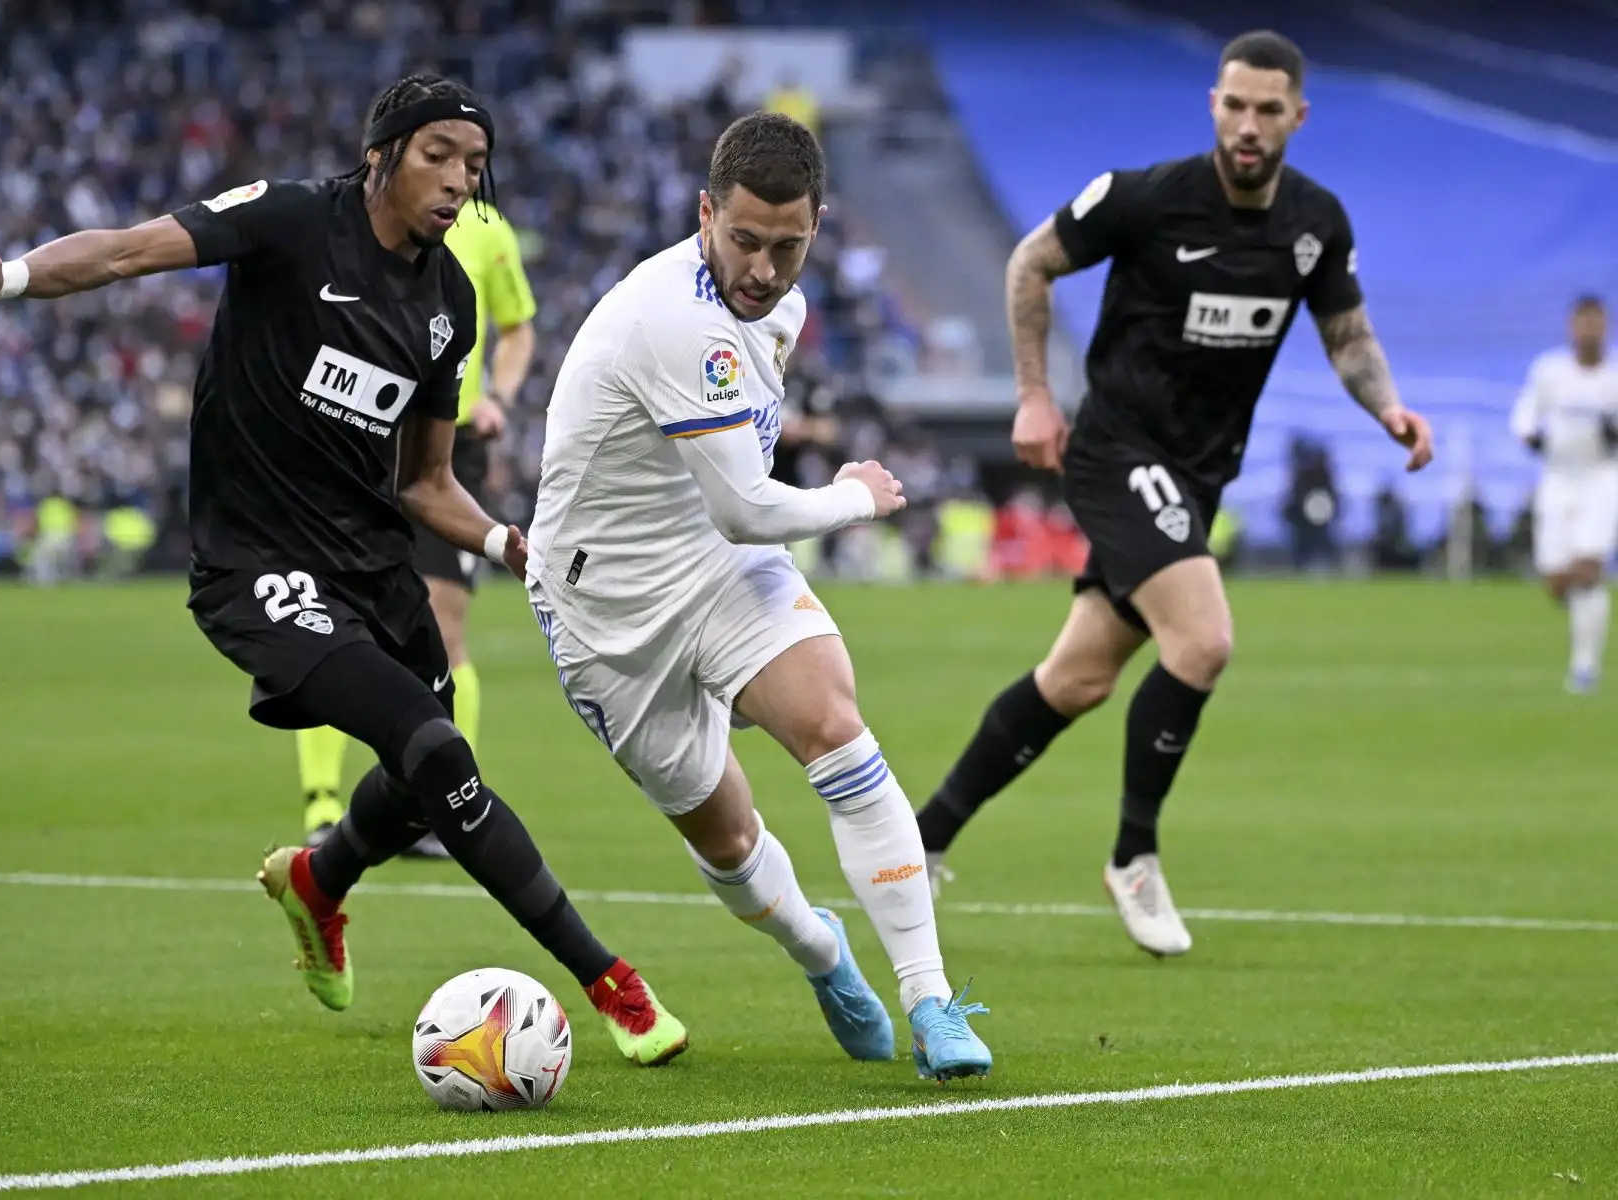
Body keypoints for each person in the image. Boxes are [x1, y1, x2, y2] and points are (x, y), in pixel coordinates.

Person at [0, 73, 687, 1066]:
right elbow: (126, 252)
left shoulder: (449, 300)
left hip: (374, 562)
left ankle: (319, 883)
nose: (458, 181)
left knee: (418, 774)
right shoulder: (286, 221)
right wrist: (8, 280)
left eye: (476, 166)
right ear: (383, 153)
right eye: (438, 154)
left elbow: (425, 480)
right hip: (258, 566)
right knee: (442, 753)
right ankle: (610, 984)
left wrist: (499, 540)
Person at [913, 31, 1435, 957]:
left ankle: (919, 842)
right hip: (1117, 450)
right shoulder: (1144, 198)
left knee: (1075, 680)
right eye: (1234, 104)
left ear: (1297, 118)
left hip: (1198, 475)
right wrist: (1035, 394)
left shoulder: (1317, 223)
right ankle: (1133, 855)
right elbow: (1030, 261)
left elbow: (1347, 336)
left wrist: (1388, 407)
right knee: (1204, 640)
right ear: (1213, 106)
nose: (1248, 124)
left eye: (1268, 110)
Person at [526, 112, 992, 1081]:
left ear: (816, 228)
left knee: (832, 723)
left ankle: (931, 998)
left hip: (714, 566)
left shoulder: (779, 307)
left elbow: (728, 505)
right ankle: (824, 956)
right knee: (729, 835)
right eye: (743, 239)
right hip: (605, 608)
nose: (764, 268)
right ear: (705, 212)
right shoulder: (671, 316)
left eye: (788, 246)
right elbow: (745, 502)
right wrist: (854, 496)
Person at [297, 200, 539, 857]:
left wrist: (499, 396)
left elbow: (517, 328)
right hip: (360, 432)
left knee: (441, 628)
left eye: (467, 157)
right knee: (334, 617)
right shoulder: (351, 217)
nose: (457, 170)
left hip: (449, 446)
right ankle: (322, 804)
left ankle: (445, 804)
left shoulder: (490, 228)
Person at [1511, 294, 1618, 693]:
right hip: (1558, 478)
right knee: (1559, 579)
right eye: (1582, 322)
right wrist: (1531, 437)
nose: (1589, 330)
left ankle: (1585, 666)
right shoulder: (1550, 371)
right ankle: (1584, 599)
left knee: (1589, 568)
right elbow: (1524, 414)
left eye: (1596, 322)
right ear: (1572, 326)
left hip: (1604, 477)